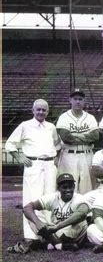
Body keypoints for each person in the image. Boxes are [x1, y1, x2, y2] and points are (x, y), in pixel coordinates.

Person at [5, 99, 61, 248]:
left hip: (49, 165)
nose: (41, 112)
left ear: (47, 112)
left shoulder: (51, 127)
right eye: (38, 109)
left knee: (49, 198)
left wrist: (55, 159)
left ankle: (48, 235)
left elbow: (57, 144)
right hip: (33, 165)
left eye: (44, 110)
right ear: (33, 110)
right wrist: (19, 157)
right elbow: (10, 144)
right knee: (32, 199)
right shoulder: (25, 125)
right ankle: (31, 236)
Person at [21, 173, 89, 252]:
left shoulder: (79, 198)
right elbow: (27, 208)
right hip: (55, 231)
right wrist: (38, 222)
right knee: (32, 219)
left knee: (81, 223)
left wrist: (57, 227)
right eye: (64, 187)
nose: (68, 190)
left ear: (74, 187)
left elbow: (81, 214)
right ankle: (60, 245)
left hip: (72, 230)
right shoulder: (53, 197)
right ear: (58, 188)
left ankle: (49, 243)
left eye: (70, 187)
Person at [56, 88, 99, 194]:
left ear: (84, 101)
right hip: (69, 155)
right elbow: (66, 137)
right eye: (75, 99)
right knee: (68, 183)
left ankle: (86, 209)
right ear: (70, 100)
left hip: (87, 154)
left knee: (88, 186)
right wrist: (85, 137)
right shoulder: (64, 117)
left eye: (80, 99)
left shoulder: (90, 117)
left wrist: (74, 135)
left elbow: (95, 136)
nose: (78, 101)